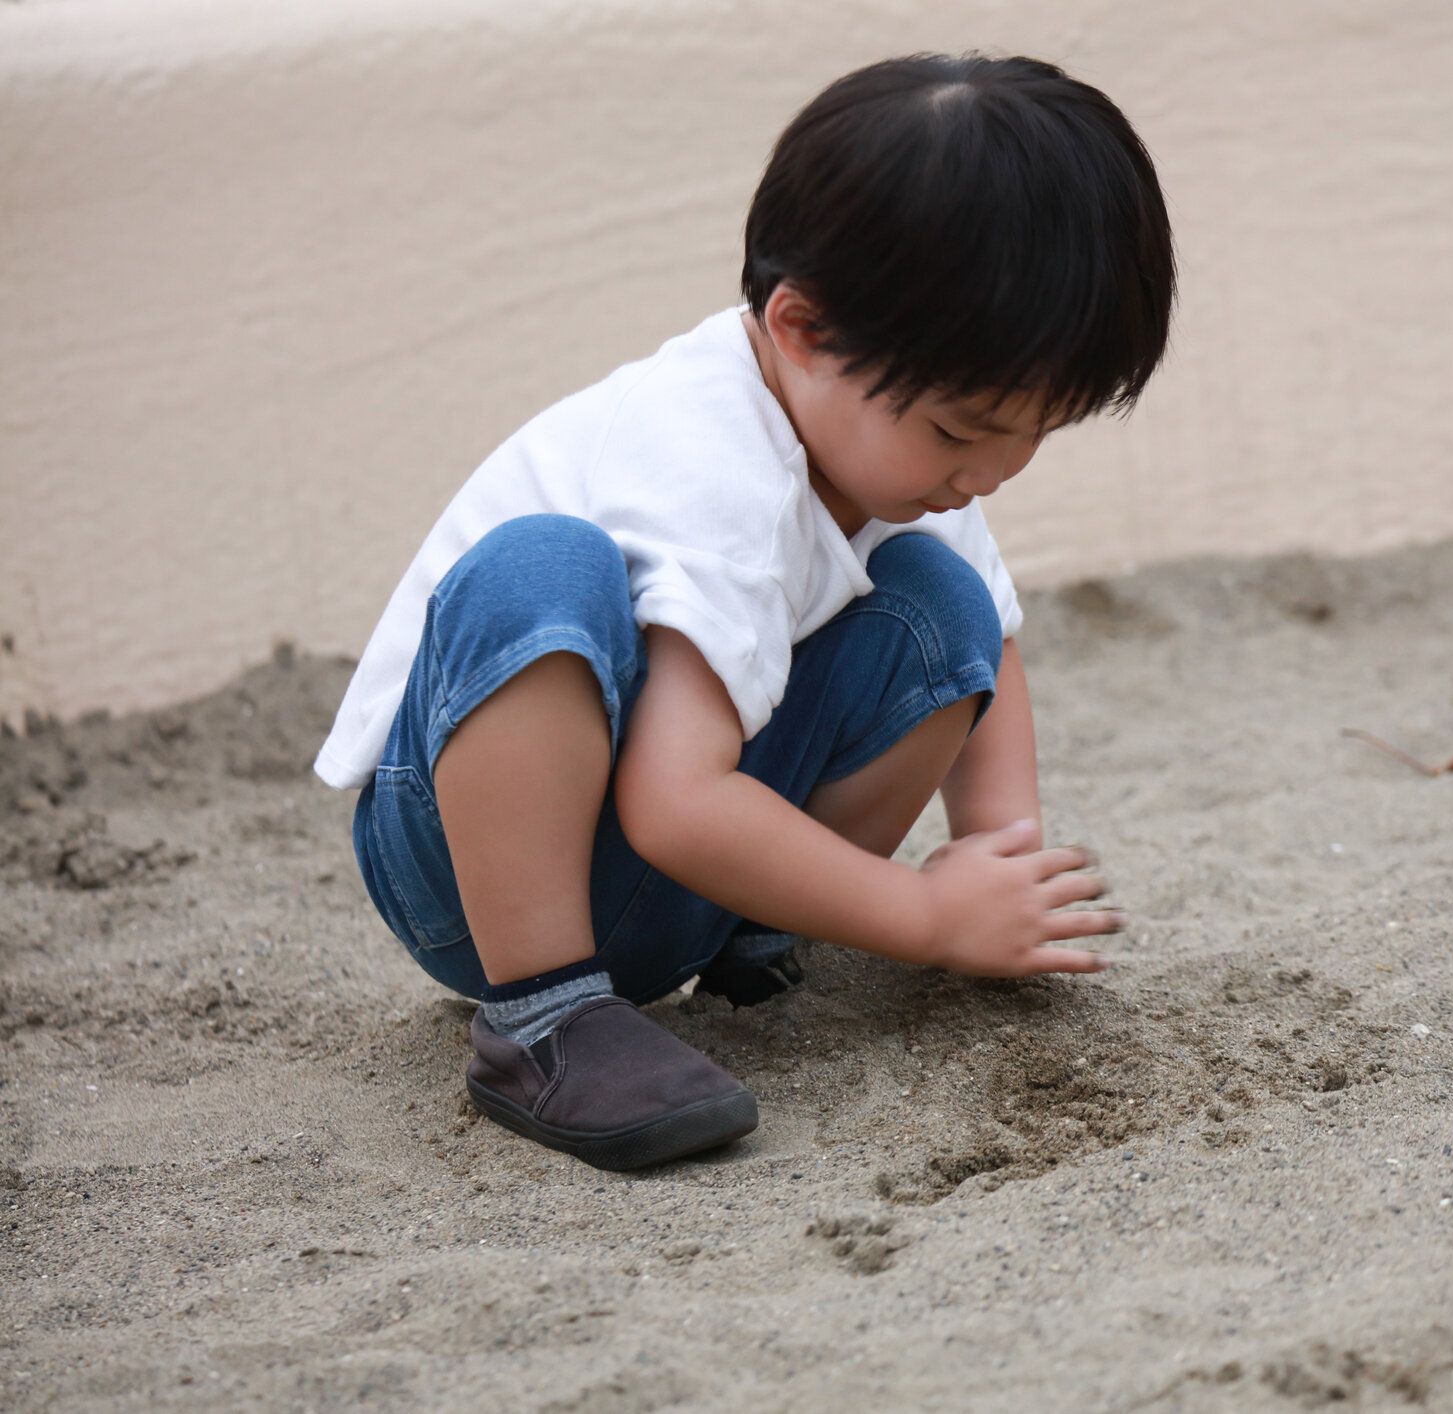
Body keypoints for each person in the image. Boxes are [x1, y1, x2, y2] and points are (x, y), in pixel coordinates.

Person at [312, 53, 1177, 1171]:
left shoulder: (897, 458)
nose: (993, 472)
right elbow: (674, 804)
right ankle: (543, 1021)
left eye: (1035, 434)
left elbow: (987, 656)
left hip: (673, 869)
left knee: (943, 605)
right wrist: (920, 919)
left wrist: (999, 875)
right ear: (803, 329)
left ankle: (756, 928)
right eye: (965, 432)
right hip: (474, 872)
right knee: (538, 570)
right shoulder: (705, 458)